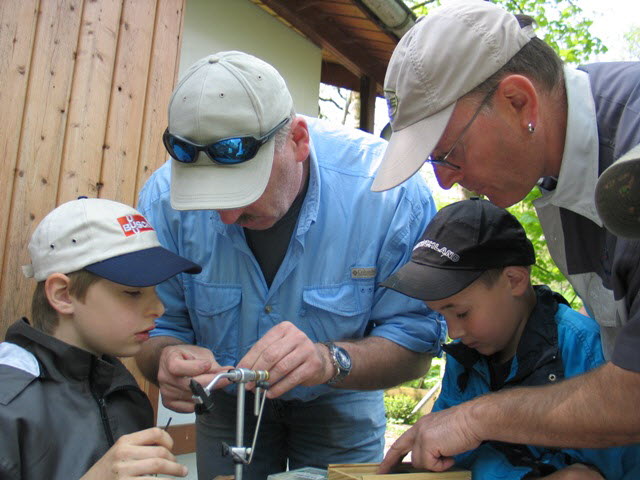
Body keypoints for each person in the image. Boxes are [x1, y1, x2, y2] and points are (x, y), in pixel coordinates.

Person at [134, 51, 445, 480]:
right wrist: (165, 358)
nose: (225, 218)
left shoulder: (388, 192)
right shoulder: (163, 200)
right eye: (209, 198)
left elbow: (414, 346)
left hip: (342, 399)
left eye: (243, 188)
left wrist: (330, 359)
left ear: (298, 141)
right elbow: (155, 332)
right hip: (227, 405)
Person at [370, 0, 640, 472]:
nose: (447, 182)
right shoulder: (558, 175)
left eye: (448, 153)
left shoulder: (628, 163)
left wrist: (479, 416)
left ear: (519, 102)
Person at [381, 198, 640, 479]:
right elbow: (452, 458)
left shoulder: (586, 352)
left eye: (462, 313)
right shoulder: (466, 356)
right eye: (441, 315)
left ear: (515, 280)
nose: (453, 332)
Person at [0, 197, 202, 479]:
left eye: (156, 291)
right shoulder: (8, 402)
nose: (159, 308)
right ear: (62, 294)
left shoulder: (125, 393)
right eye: (133, 292)